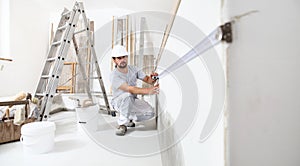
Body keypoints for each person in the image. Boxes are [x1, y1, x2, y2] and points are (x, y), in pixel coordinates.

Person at [109, 45, 159, 136]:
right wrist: (148, 91)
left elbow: (148, 80)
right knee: (127, 95)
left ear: (127, 57)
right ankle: (122, 124)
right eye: (119, 58)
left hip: (131, 100)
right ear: (114, 60)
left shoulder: (133, 69)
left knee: (150, 113)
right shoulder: (114, 76)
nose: (122, 60)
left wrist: (153, 78)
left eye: (124, 57)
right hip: (118, 102)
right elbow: (130, 89)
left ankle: (127, 118)